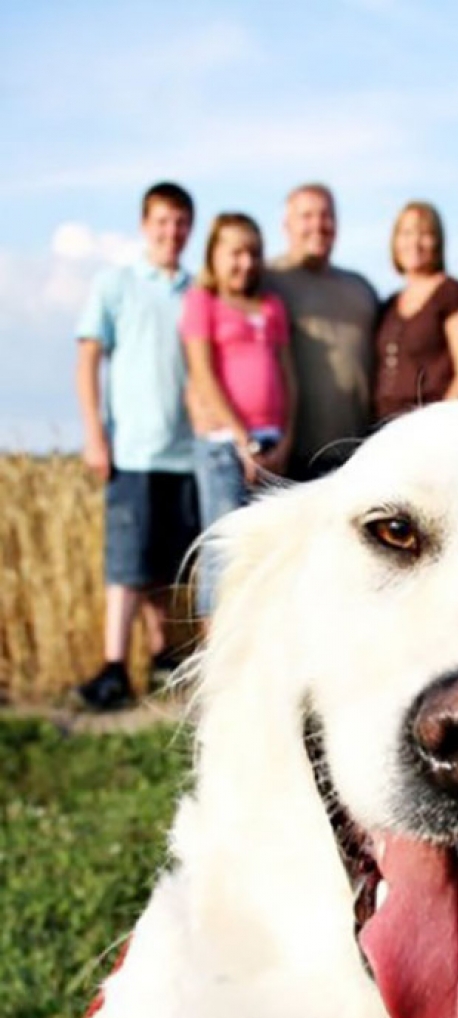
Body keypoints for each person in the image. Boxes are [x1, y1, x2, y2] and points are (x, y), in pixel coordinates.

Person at [73, 181, 200, 711]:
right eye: (161, 222)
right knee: (126, 563)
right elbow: (88, 360)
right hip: (132, 450)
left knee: (168, 565)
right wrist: (94, 433)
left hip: (188, 449)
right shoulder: (116, 284)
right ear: (145, 226)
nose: (170, 232)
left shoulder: (199, 290)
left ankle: (163, 656)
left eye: (179, 223)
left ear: (189, 229)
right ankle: (114, 668)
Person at [181, 212, 296, 619]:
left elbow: (287, 374)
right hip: (224, 445)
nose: (245, 263)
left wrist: (286, 438)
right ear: (214, 255)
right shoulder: (203, 303)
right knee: (224, 544)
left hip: (270, 441)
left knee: (265, 550)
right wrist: (240, 436)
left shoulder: (270, 306)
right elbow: (203, 373)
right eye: (235, 253)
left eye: (253, 253)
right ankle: (214, 656)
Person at [265, 183, 378, 479]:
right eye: (307, 216)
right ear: (286, 225)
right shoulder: (267, 282)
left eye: (326, 215)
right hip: (286, 456)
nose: (318, 225)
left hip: (354, 455)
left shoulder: (361, 289)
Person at [371, 201, 458, 426]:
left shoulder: (453, 295)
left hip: (430, 430)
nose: (415, 243)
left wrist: (434, 429)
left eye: (425, 233)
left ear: (437, 241)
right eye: (407, 233)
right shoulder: (389, 305)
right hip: (385, 428)